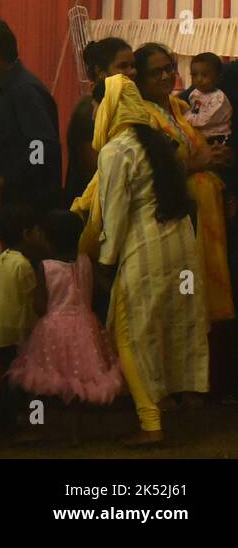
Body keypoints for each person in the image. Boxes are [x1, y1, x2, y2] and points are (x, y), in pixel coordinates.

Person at [80, 74, 208, 445]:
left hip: (146, 248)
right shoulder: (157, 140)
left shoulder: (117, 149)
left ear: (111, 107)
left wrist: (105, 260)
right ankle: (174, 401)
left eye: (98, 106)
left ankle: (150, 423)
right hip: (180, 245)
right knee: (169, 324)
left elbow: (116, 213)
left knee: (130, 333)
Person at [130, 43, 233, 323]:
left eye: (168, 69)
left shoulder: (181, 105)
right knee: (181, 303)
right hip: (172, 216)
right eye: (155, 73)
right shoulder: (142, 116)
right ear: (139, 78)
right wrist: (197, 163)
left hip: (206, 212)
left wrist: (221, 156)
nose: (165, 77)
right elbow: (145, 170)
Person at [6, 210, 122, 422]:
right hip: (86, 327)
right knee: (79, 382)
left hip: (53, 330)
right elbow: (98, 291)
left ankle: (38, 423)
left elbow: (40, 306)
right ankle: (74, 430)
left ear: (48, 240)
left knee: (41, 380)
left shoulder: (46, 267)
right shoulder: (86, 262)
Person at [0, 16, 62, 212]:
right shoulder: (7, 88)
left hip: (30, 207)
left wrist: (1, 182)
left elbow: (42, 146)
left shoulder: (24, 91)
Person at [0, 202, 39, 437]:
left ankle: (8, 422)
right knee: (20, 381)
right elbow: (32, 300)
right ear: (27, 234)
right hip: (21, 332)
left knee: (9, 375)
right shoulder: (24, 265)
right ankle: (14, 421)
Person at [65, 37, 135, 204]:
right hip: (91, 205)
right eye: (123, 66)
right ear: (100, 72)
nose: (132, 72)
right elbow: (98, 169)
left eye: (133, 65)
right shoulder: (89, 110)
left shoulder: (122, 104)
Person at [185, 52, 232, 146]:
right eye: (194, 75)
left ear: (218, 78)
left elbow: (204, 120)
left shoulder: (218, 99)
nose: (199, 79)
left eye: (204, 75)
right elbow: (194, 111)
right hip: (199, 133)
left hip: (216, 136)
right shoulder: (195, 93)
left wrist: (185, 118)